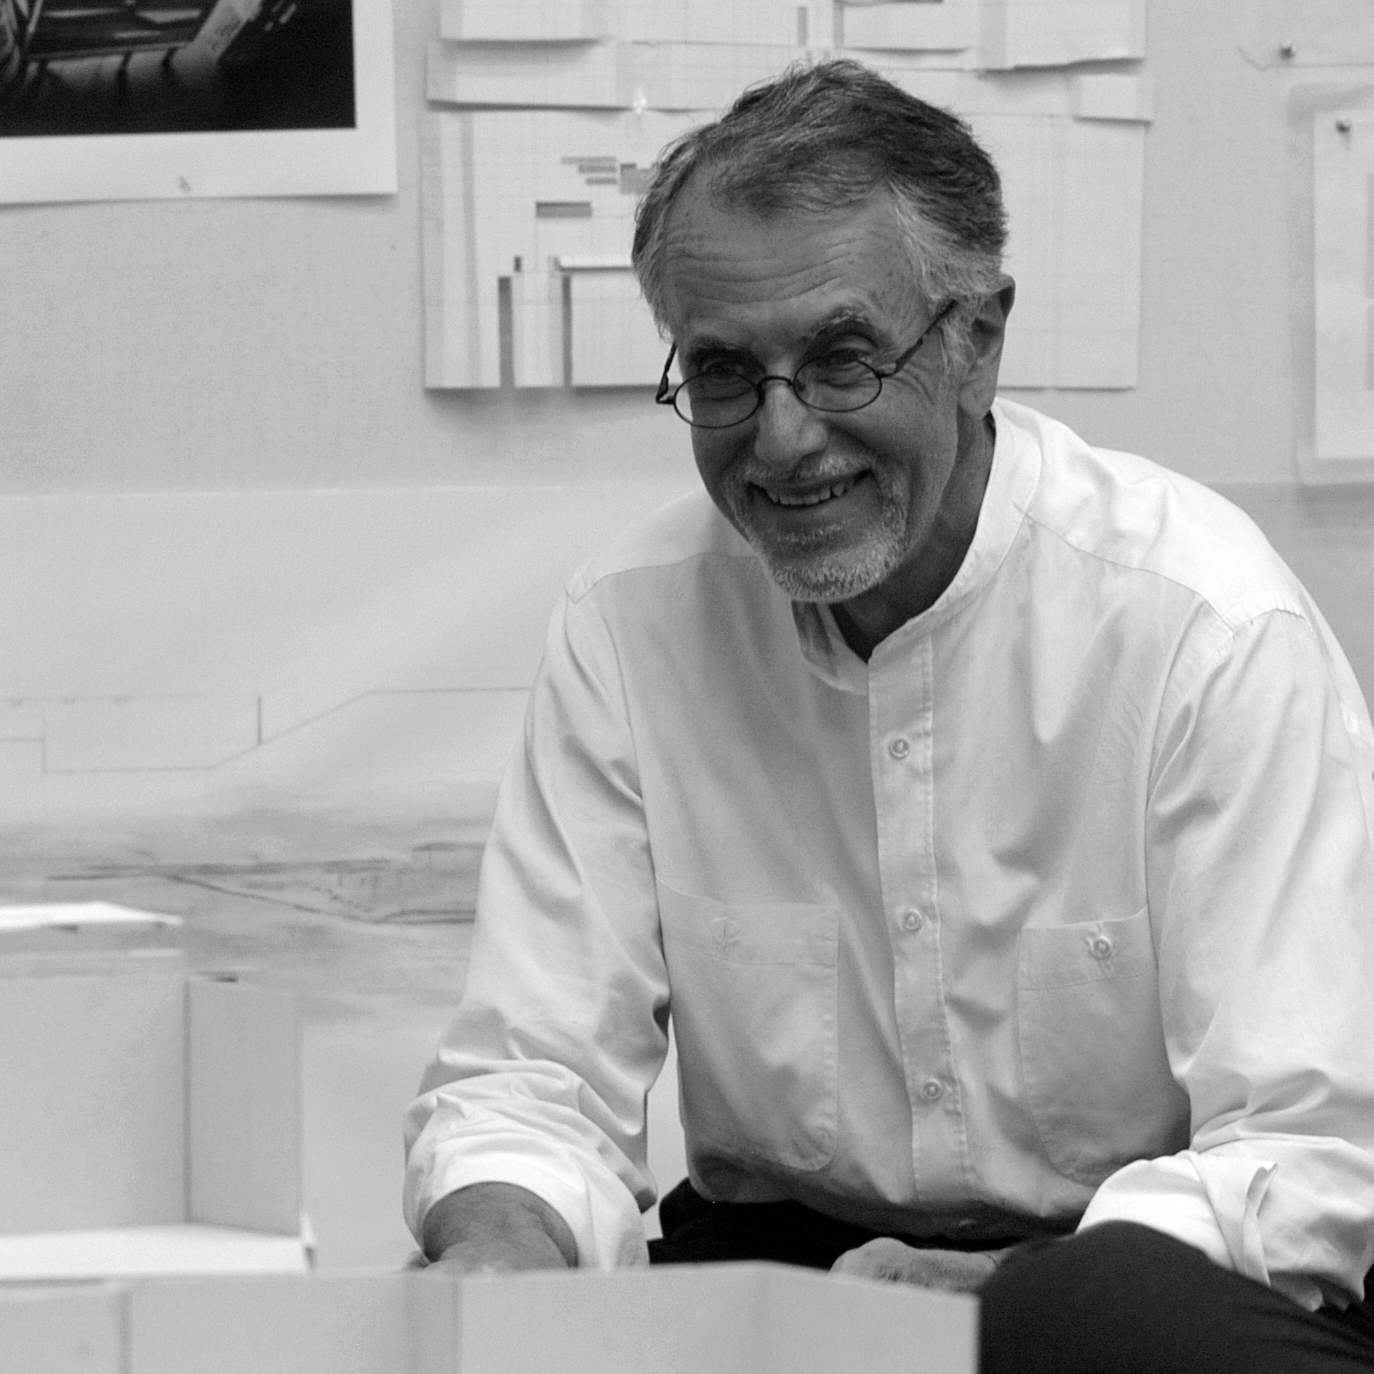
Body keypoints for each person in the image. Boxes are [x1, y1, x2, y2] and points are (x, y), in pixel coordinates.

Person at [404, 60, 1374, 1371]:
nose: (785, 440)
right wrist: (500, 1249)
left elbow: (1309, 1149)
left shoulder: (1199, 623)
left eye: (842, 359)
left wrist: (1013, 1286)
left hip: (1127, 1277)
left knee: (1099, 1321)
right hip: (789, 1260)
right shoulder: (629, 627)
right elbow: (531, 1076)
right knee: (469, 1301)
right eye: (725, 373)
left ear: (977, 338)